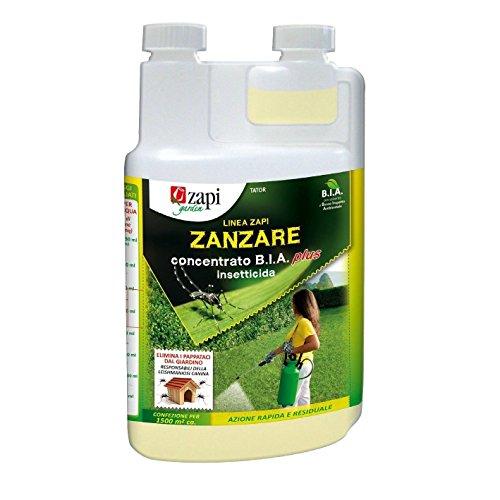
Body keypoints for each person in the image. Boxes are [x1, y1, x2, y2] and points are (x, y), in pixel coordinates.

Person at [266, 289, 321, 406]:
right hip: (304, 364)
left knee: (289, 400)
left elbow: (315, 344)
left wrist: (293, 351)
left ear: (299, 304)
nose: (292, 306)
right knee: (303, 398)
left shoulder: (303, 322)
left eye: (293, 302)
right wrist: (273, 354)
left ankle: (289, 418)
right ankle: (305, 417)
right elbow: (288, 344)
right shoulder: (300, 322)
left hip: (298, 366)